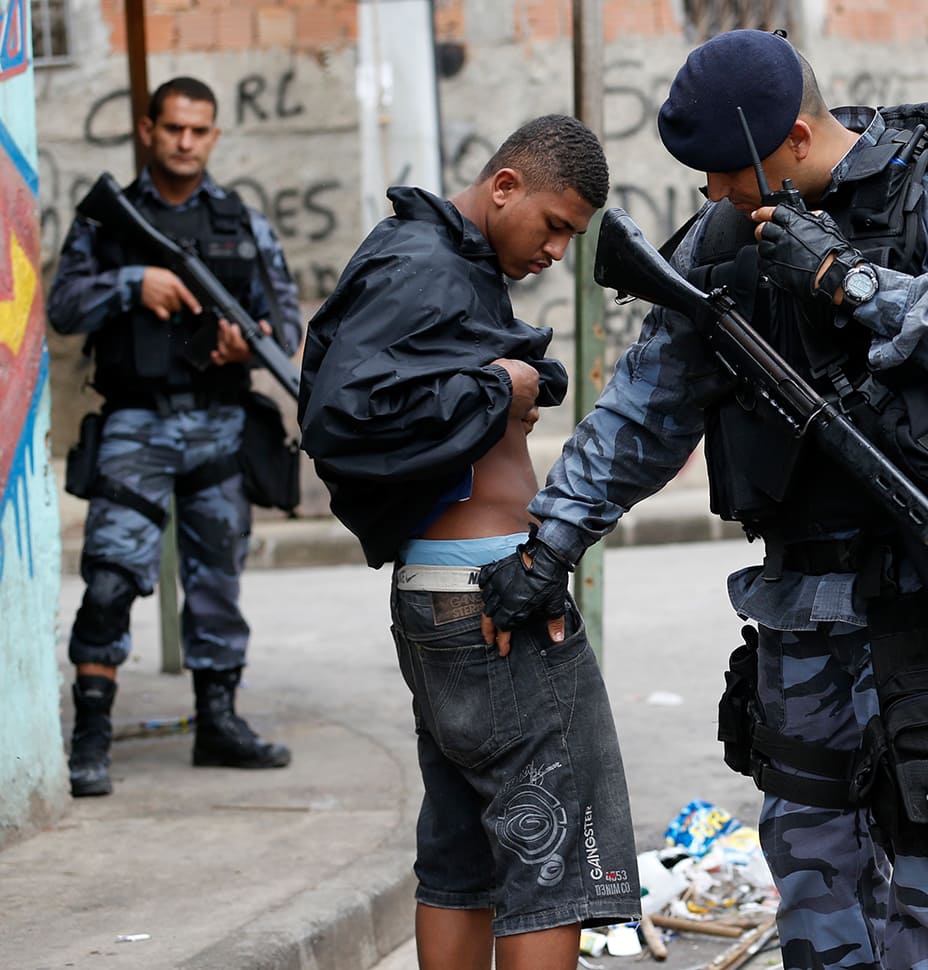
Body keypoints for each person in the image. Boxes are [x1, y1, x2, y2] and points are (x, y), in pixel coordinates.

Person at [485, 29, 928, 970]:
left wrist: (856, 284)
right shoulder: (725, 243)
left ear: (801, 138)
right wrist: (551, 543)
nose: (719, 196)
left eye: (734, 173)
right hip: (801, 615)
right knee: (814, 875)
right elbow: (643, 414)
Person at [297, 114, 639, 970]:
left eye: (574, 235)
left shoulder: (443, 261)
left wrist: (510, 378)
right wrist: (499, 386)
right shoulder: (427, 265)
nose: (559, 250)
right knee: (552, 858)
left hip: (448, 601)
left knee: (464, 856)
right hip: (493, 604)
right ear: (504, 186)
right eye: (554, 224)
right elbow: (342, 418)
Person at [47, 76, 302, 798]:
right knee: (109, 579)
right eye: (174, 129)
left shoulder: (242, 224)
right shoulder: (109, 221)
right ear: (148, 130)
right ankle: (91, 732)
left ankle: (217, 723)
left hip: (220, 424)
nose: (186, 142)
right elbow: (62, 305)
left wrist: (241, 349)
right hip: (136, 422)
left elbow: (284, 331)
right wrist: (136, 284)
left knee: (218, 581)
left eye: (200, 130)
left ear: (214, 137)